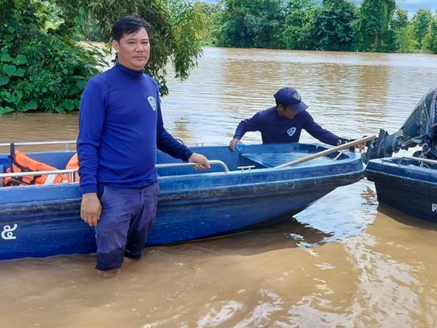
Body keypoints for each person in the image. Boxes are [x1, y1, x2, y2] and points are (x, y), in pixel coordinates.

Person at [77, 16, 210, 277]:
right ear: (116, 46)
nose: (140, 49)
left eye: (145, 42)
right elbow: (87, 144)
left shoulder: (150, 84)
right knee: (108, 268)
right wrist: (89, 194)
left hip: (148, 189)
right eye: (132, 42)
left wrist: (189, 154)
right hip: (114, 192)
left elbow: (157, 133)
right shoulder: (99, 87)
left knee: (134, 257)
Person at [229, 87, 353, 151]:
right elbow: (244, 124)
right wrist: (236, 138)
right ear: (280, 107)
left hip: (291, 155)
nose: (296, 111)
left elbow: (321, 134)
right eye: (293, 109)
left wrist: (346, 143)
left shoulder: (301, 115)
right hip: (269, 155)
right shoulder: (264, 117)